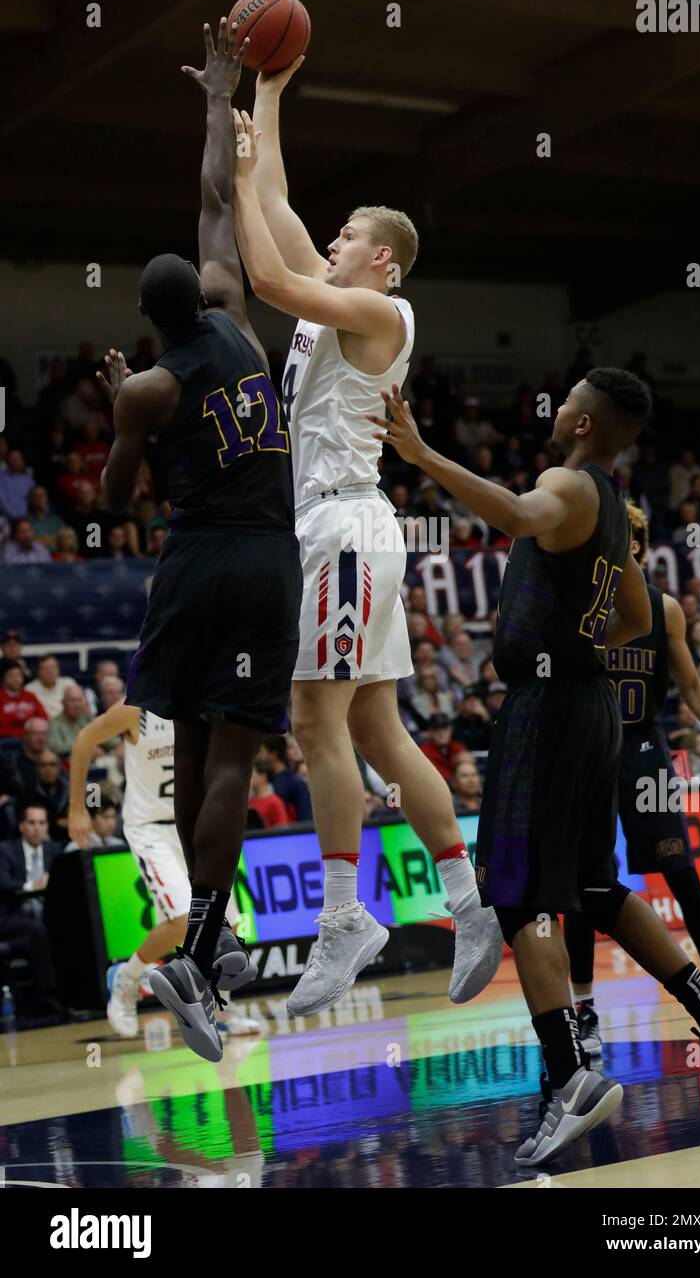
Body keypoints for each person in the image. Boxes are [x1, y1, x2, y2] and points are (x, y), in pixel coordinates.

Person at [372, 368, 700, 1164]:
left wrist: (421, 453)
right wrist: (579, 651)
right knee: (593, 886)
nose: (552, 410)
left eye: (566, 402)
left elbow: (517, 513)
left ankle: (569, 1079)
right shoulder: (611, 514)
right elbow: (634, 616)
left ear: (584, 424)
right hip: (593, 708)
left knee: (519, 895)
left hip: (548, 709)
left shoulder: (565, 484)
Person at [231, 73, 503, 1019]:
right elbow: (274, 199)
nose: (330, 239)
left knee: (316, 722)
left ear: (382, 260)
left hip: (344, 527)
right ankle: (470, 901)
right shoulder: (327, 306)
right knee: (378, 729)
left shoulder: (382, 315)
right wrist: (267, 94)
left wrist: (228, 173)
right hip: (343, 530)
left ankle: (346, 915)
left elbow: (264, 269)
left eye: (346, 234)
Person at [98, 19, 301, 1062]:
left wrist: (120, 416)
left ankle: (197, 953)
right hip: (274, 557)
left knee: (187, 754)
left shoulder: (149, 381)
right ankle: (208, 951)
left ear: (143, 316)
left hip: (198, 560)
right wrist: (218, 95)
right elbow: (219, 197)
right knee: (234, 757)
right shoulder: (236, 318)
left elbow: (111, 501)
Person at [563, 502, 700, 1054]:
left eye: (627, 537)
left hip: (643, 748)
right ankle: (583, 1008)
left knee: (682, 873)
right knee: (583, 886)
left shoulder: (665, 610)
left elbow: (694, 688)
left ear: (639, 546)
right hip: (589, 752)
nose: (616, 544)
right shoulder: (580, 606)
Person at [68, 700, 259, 1041]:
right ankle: (126, 980)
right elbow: (84, 739)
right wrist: (77, 808)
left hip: (194, 823)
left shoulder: (203, 702)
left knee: (227, 922)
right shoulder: (135, 709)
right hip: (150, 827)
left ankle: (221, 1009)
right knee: (184, 918)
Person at [0, 806, 62, 1024]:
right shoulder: (6, 850)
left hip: (46, 913)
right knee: (36, 931)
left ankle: (81, 997)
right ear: (21, 826)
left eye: (42, 823)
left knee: (59, 928)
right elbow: (3, 882)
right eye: (32, 823)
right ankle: (48, 1000)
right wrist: (30, 886)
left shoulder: (55, 850)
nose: (37, 829)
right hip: (10, 917)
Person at [258, 736, 312, 822]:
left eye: (261, 752)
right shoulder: (263, 780)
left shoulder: (295, 782)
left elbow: (305, 818)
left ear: (273, 754)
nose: (259, 757)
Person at [0, 660, 49, 739]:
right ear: (3, 678)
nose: (15, 679)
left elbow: (44, 718)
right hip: (6, 741)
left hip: (33, 739)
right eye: (11, 676)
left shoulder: (30, 696)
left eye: (18, 675)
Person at [48, 685, 93, 758]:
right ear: (63, 703)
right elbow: (56, 747)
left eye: (80, 700)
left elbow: (106, 737)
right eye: (72, 700)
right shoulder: (54, 723)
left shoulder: (87, 718)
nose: (77, 705)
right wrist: (85, 747)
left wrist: (117, 745)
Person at [27, 655, 73, 721]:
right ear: (39, 672)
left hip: (68, 723)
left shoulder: (69, 683)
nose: (50, 671)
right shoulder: (29, 690)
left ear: (58, 669)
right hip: (44, 726)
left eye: (53, 667)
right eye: (45, 668)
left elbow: (83, 707)